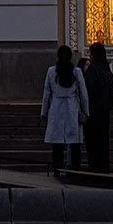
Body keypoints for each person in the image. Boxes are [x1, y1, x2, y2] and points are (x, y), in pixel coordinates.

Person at [41, 44, 90, 173]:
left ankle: (57, 168)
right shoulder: (76, 72)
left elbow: (46, 94)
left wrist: (44, 112)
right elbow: (83, 94)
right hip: (72, 107)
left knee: (57, 142)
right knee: (74, 141)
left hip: (56, 107)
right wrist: (86, 111)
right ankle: (75, 168)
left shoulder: (52, 71)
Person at [82, 42, 113, 172]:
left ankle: (95, 165)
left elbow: (87, 89)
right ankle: (103, 164)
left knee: (93, 141)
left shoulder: (93, 70)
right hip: (105, 111)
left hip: (93, 111)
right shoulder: (107, 70)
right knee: (103, 140)